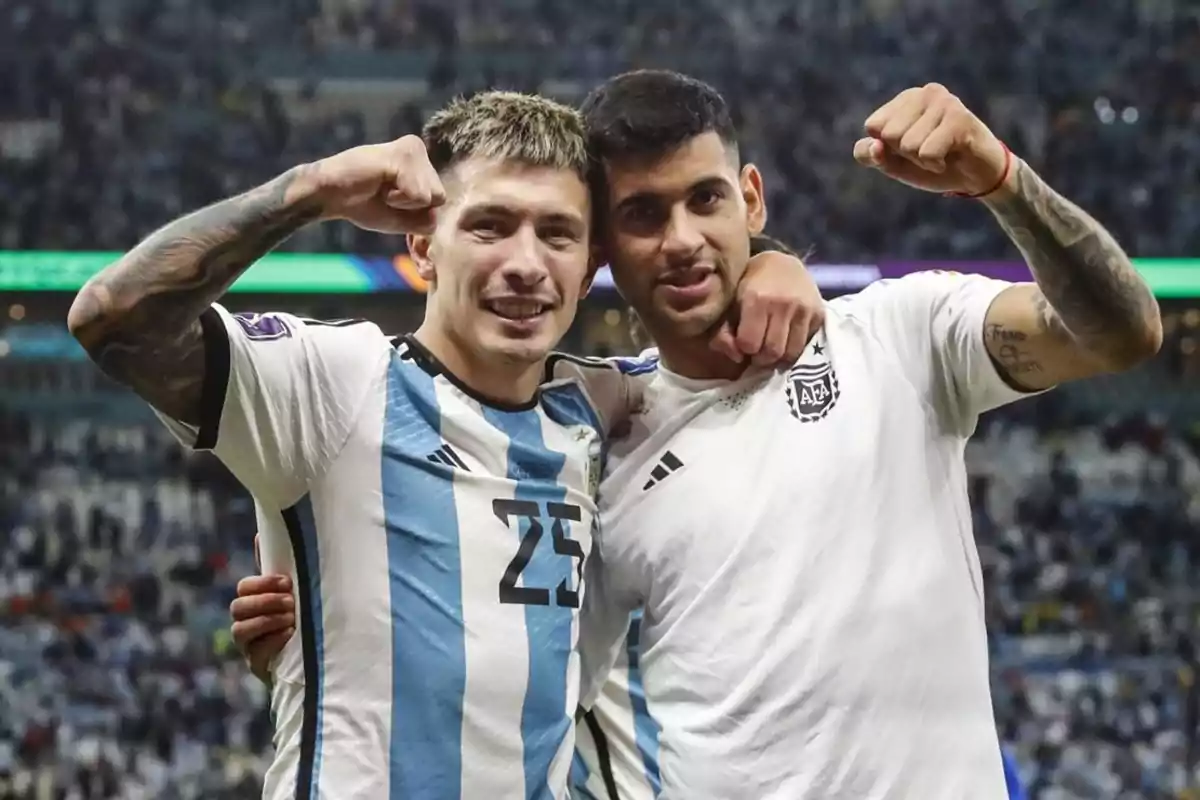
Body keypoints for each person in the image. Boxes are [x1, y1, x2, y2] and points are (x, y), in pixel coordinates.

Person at [229, 70, 1163, 799]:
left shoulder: (901, 337)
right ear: (602, 248)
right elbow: (484, 619)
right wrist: (328, 632)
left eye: (705, 200)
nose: (679, 240)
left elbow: (1118, 333)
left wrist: (1003, 181)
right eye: (641, 216)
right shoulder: (588, 431)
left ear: (752, 199)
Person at [67, 89, 820, 799]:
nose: (526, 264)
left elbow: (713, 323)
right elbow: (112, 319)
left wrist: (773, 260)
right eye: (490, 224)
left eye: (556, 233)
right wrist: (312, 189)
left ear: (590, 265)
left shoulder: (606, 406)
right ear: (423, 245)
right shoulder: (333, 385)